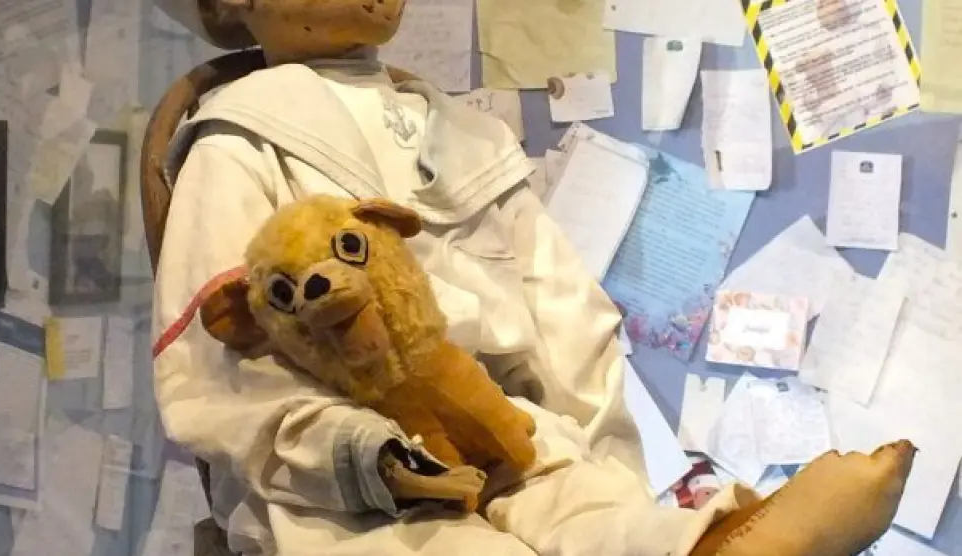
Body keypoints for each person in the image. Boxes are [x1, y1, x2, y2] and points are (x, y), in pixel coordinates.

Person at [150, 2, 910, 555]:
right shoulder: (234, 145)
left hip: (502, 426)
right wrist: (352, 454)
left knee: (589, 508)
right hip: (352, 479)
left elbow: (568, 323)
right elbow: (219, 374)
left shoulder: (469, 137)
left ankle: (703, 545)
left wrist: (607, 469)